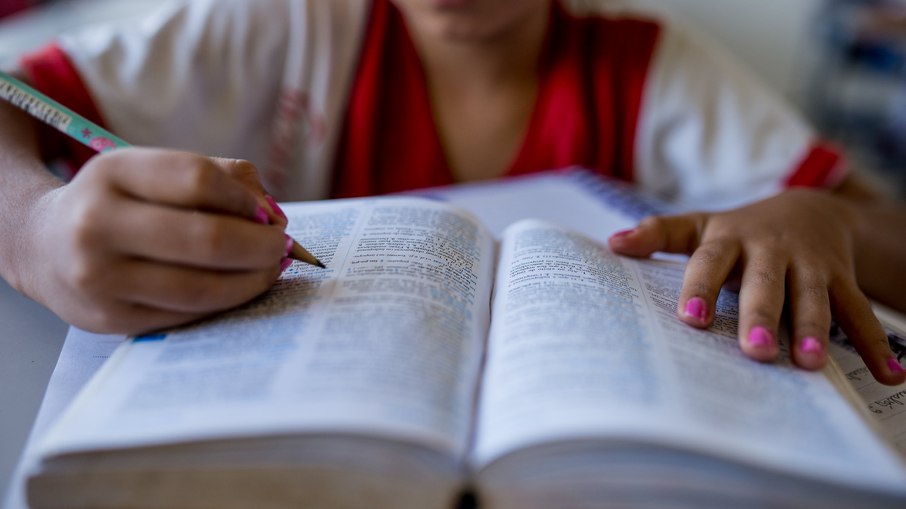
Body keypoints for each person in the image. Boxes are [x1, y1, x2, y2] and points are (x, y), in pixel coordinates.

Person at [1, 0, 904, 385]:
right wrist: (31, 227)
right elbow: (14, 96)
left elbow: (881, 222)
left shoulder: (648, 67)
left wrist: (818, 216)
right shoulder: (284, 23)